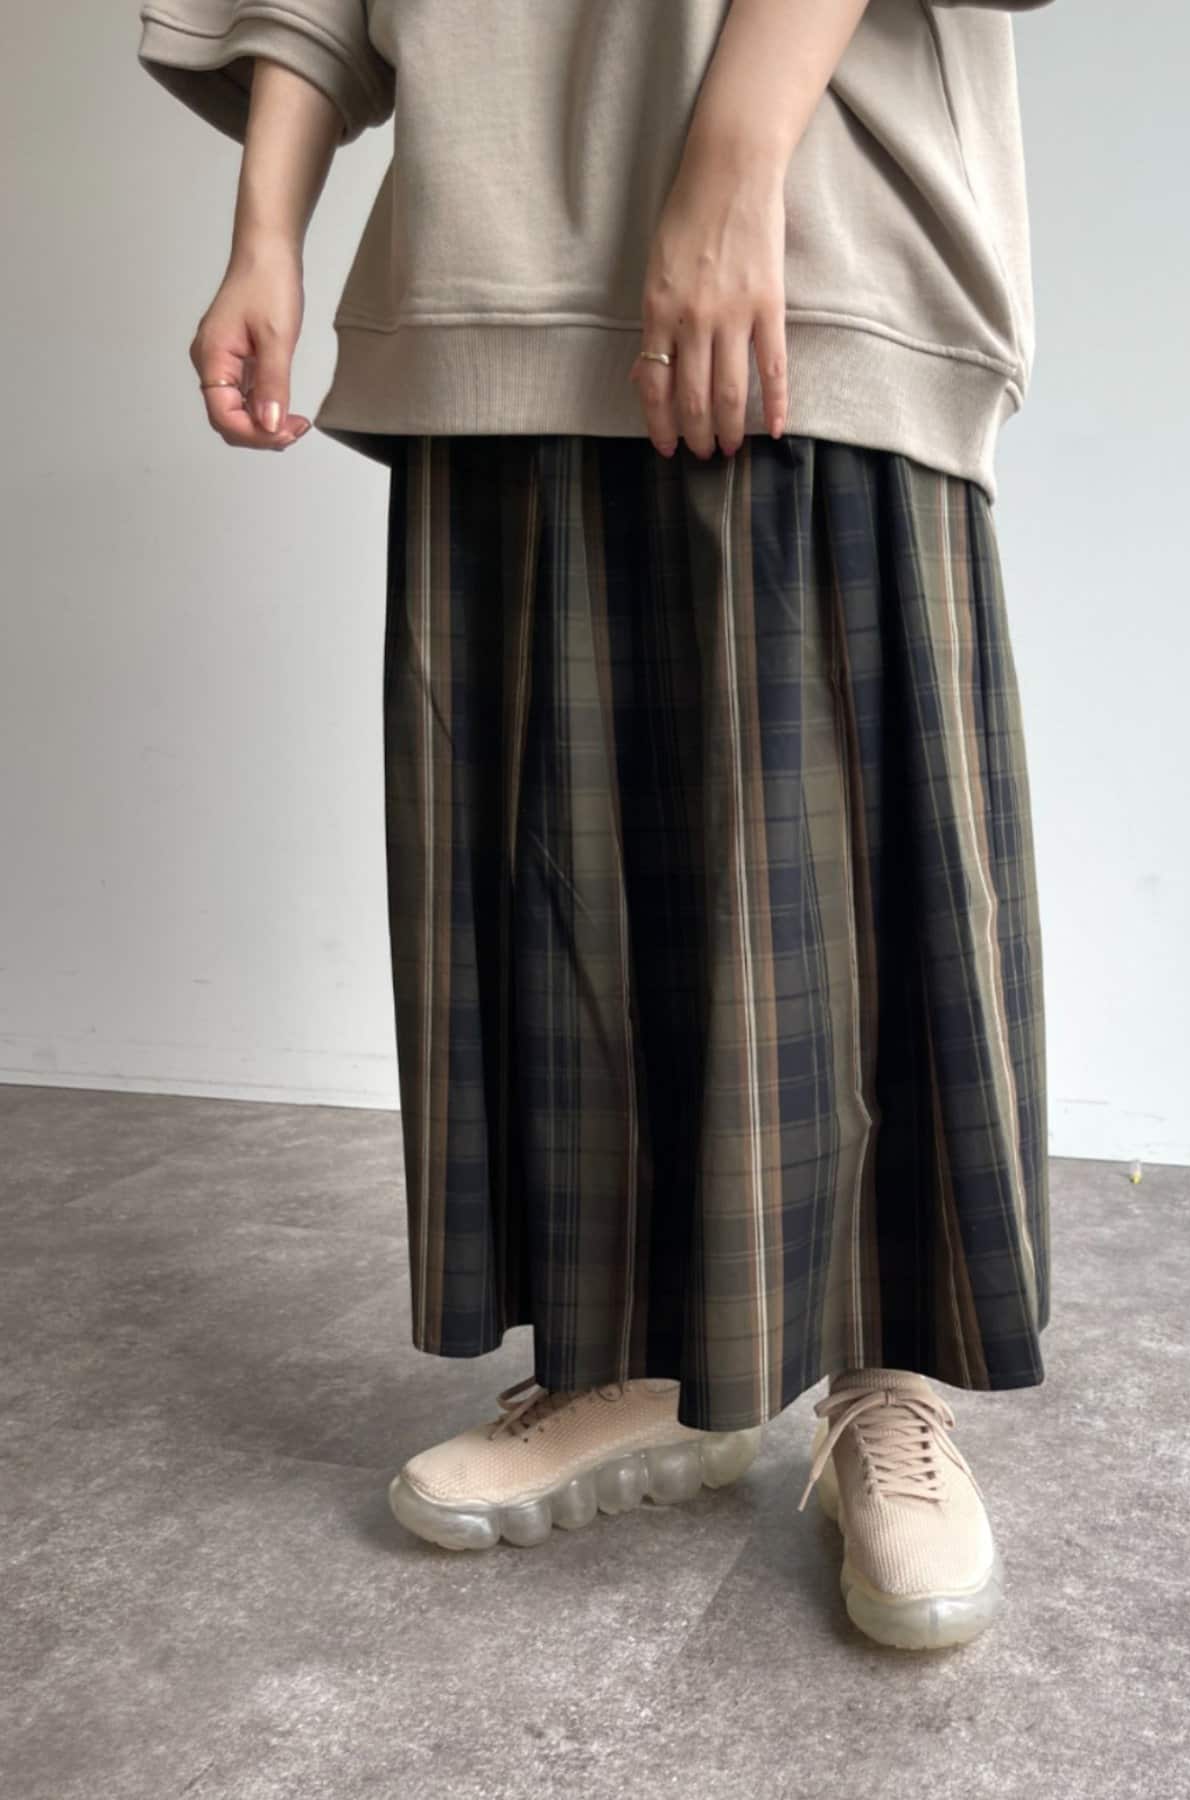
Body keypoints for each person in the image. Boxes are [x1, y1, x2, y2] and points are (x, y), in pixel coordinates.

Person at [137, 0, 1055, 1653]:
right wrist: (267, 225)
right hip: (492, 243)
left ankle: (888, 1386)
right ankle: (639, 1362)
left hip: (818, 226)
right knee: (564, 872)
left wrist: (729, 167)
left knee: (850, 880)